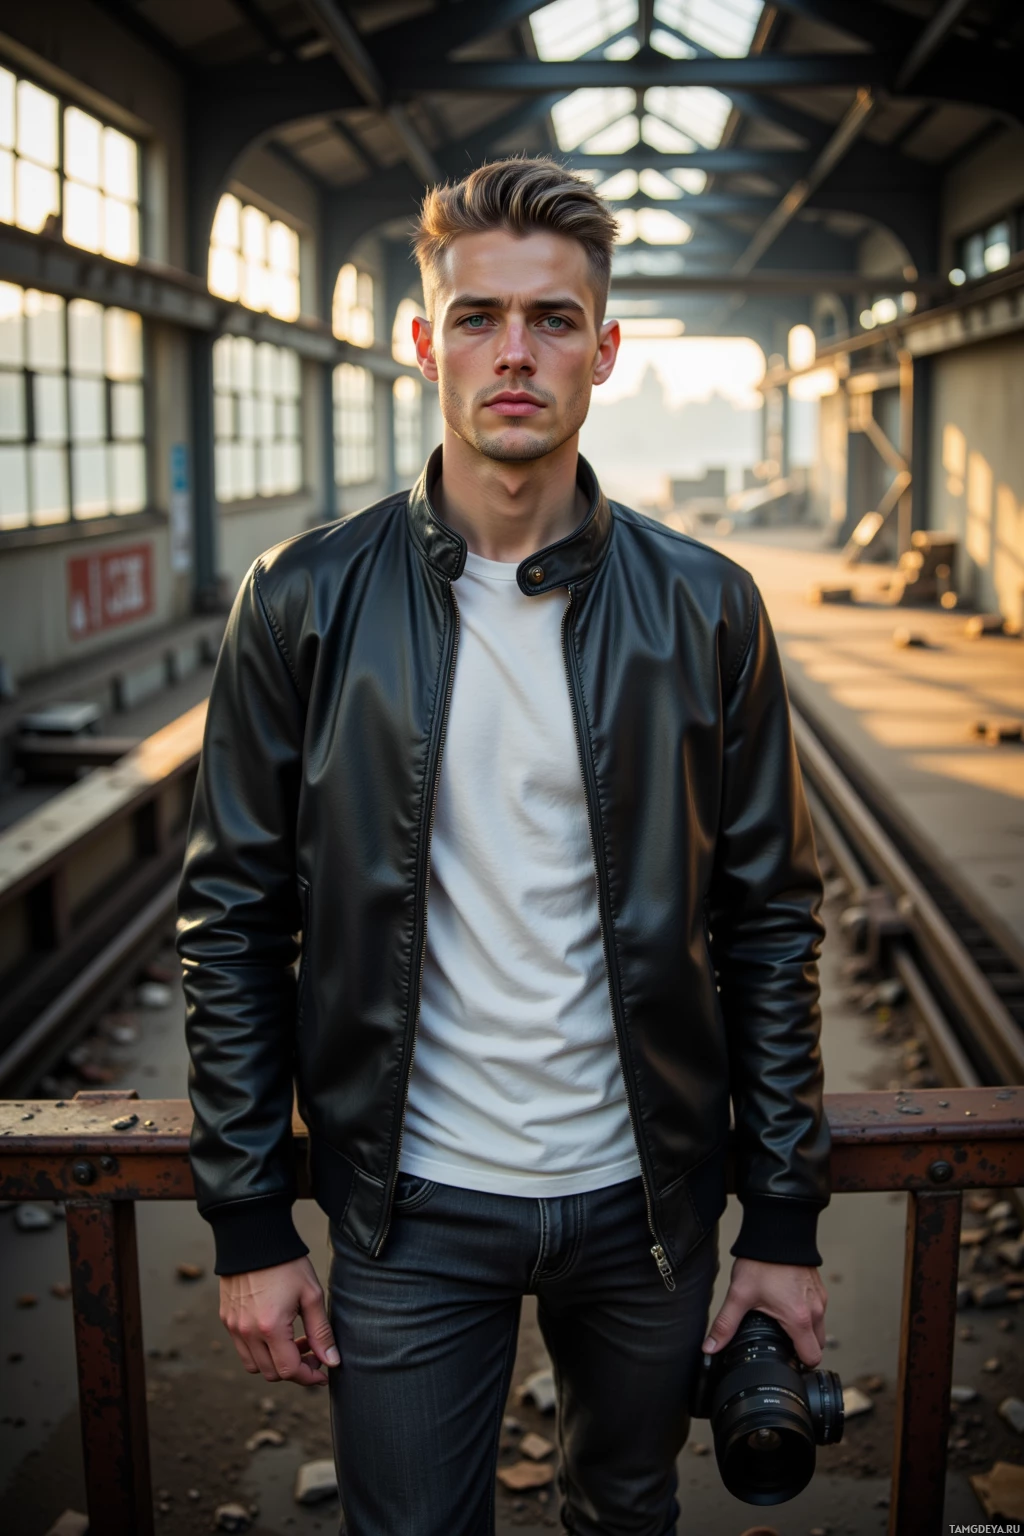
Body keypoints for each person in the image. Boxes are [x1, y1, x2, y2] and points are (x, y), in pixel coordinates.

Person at [178, 156, 830, 1536]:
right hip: (408, 1208)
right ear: (427, 343)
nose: (513, 353)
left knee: (628, 1511)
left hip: (646, 1200)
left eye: (550, 319)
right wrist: (249, 1225)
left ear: (606, 348)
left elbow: (772, 918)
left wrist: (779, 1222)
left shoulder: (710, 608)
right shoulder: (300, 602)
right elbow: (230, 916)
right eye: (478, 317)